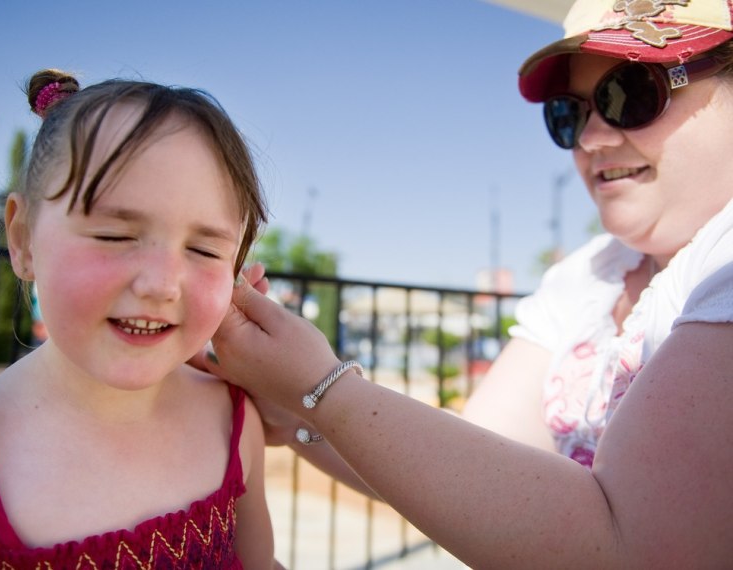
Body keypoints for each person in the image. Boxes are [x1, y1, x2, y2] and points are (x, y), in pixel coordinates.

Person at [194, 0, 733, 566]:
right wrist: (295, 413)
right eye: (568, 114)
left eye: (631, 93)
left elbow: (629, 550)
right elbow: (474, 463)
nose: (591, 137)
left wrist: (322, 392)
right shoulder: (590, 275)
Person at [0, 68, 282, 569]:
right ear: (24, 239)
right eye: (115, 237)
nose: (161, 284)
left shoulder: (233, 419)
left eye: (204, 249)